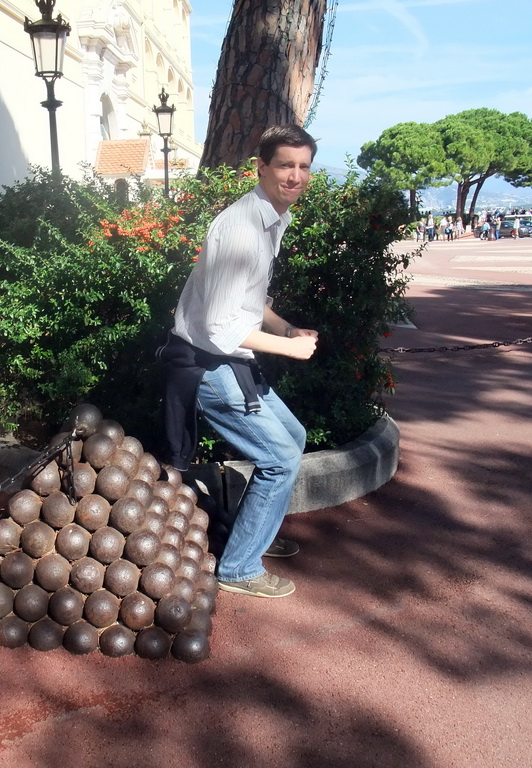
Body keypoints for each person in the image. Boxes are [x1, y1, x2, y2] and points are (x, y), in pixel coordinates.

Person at [158, 124, 319, 599]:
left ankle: (254, 536)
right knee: (281, 458)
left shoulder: (271, 217)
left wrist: (287, 328)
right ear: (262, 168)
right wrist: (291, 349)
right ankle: (240, 568)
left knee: (294, 438)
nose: (294, 175)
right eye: (285, 165)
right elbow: (222, 328)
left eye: (303, 166)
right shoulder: (242, 228)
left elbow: (249, 302)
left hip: (227, 361)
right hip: (208, 366)